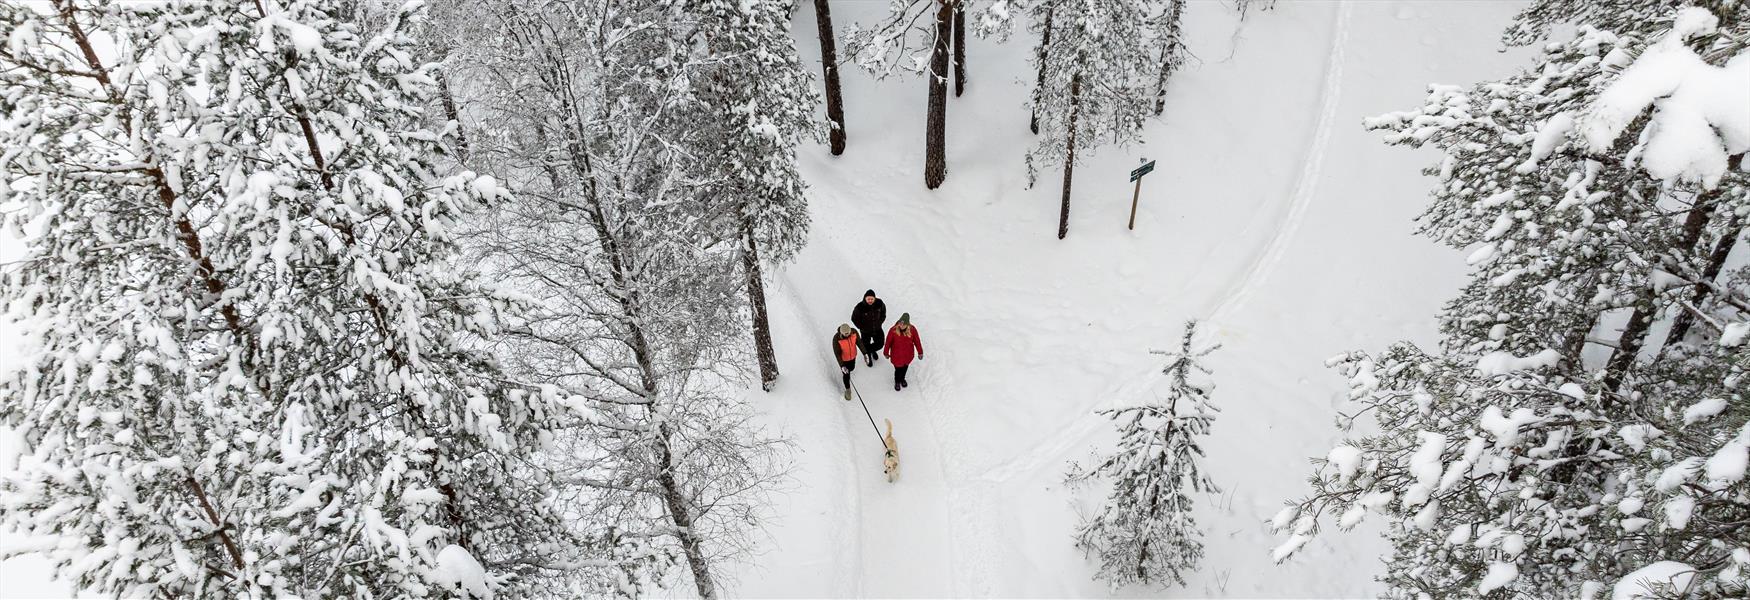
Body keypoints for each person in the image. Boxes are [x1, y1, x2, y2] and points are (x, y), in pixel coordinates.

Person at [884, 313, 923, 392]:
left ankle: (902, 379)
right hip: (896, 356)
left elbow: (917, 341)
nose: (901, 326)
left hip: (908, 355)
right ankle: (897, 381)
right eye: (900, 323)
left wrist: (920, 352)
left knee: (905, 369)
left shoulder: (912, 330)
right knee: (898, 370)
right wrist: (886, 352)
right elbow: (888, 342)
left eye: (903, 324)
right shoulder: (893, 330)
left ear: (907, 324)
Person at [850, 290, 887, 367]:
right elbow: (854, 318)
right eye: (868, 299)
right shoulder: (859, 307)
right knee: (865, 344)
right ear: (865, 298)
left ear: (874, 298)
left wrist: (880, 322)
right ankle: (868, 356)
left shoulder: (879, 303)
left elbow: (883, 313)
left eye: (872, 299)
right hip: (865, 331)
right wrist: (861, 326)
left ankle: (870, 351)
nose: (870, 300)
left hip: (877, 329)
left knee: (880, 343)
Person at [832, 323, 860, 400]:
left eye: (849, 332)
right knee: (846, 375)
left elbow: (859, 342)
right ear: (842, 333)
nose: (848, 335)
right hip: (844, 360)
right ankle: (848, 390)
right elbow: (837, 354)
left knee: (852, 368)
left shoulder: (854, 332)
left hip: (853, 356)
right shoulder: (836, 339)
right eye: (845, 333)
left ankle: (848, 372)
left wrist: (865, 353)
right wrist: (842, 366)